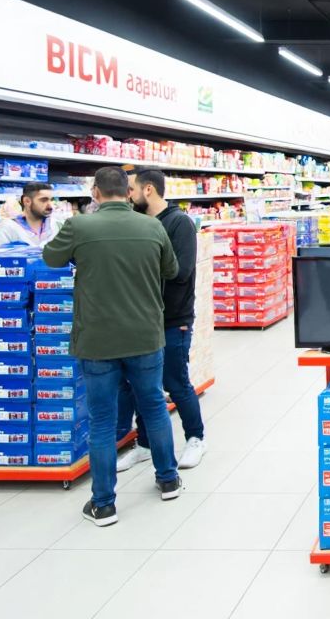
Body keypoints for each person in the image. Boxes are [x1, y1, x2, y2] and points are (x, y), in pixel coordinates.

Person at [43, 167, 180, 528]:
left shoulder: (79, 226)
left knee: (102, 419)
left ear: (95, 193)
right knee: (154, 407)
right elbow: (171, 269)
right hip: (145, 335)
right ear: (127, 191)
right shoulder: (153, 226)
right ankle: (168, 479)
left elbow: (50, 259)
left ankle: (103, 504)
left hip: (98, 339)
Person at [115, 168, 207, 473]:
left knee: (175, 381)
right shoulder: (139, 222)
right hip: (141, 318)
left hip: (173, 317)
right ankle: (144, 443)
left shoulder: (178, 222)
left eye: (131, 190)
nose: (128, 195)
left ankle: (196, 438)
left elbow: (180, 272)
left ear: (149, 190)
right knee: (143, 384)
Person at [0, 182, 61, 246]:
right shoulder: (6, 228)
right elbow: (0, 258)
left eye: (51, 200)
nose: (50, 205)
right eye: (43, 200)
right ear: (27, 201)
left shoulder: (56, 225)